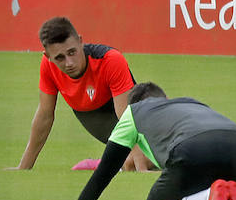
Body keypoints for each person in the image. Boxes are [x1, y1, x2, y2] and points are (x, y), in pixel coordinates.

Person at [41, 82, 236, 200]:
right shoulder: (190, 103)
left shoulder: (133, 114)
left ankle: (209, 196)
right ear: (165, 98)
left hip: (195, 148)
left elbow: (105, 170)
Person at [14, 16, 151, 172]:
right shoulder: (48, 67)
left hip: (148, 129)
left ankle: (112, 163)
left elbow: (126, 118)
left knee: (155, 160)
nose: (69, 63)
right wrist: (23, 169)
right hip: (119, 140)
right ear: (48, 57)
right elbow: (45, 115)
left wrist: (141, 167)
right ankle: (116, 162)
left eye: (72, 52)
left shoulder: (110, 60)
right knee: (130, 162)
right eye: (60, 58)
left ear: (80, 41)